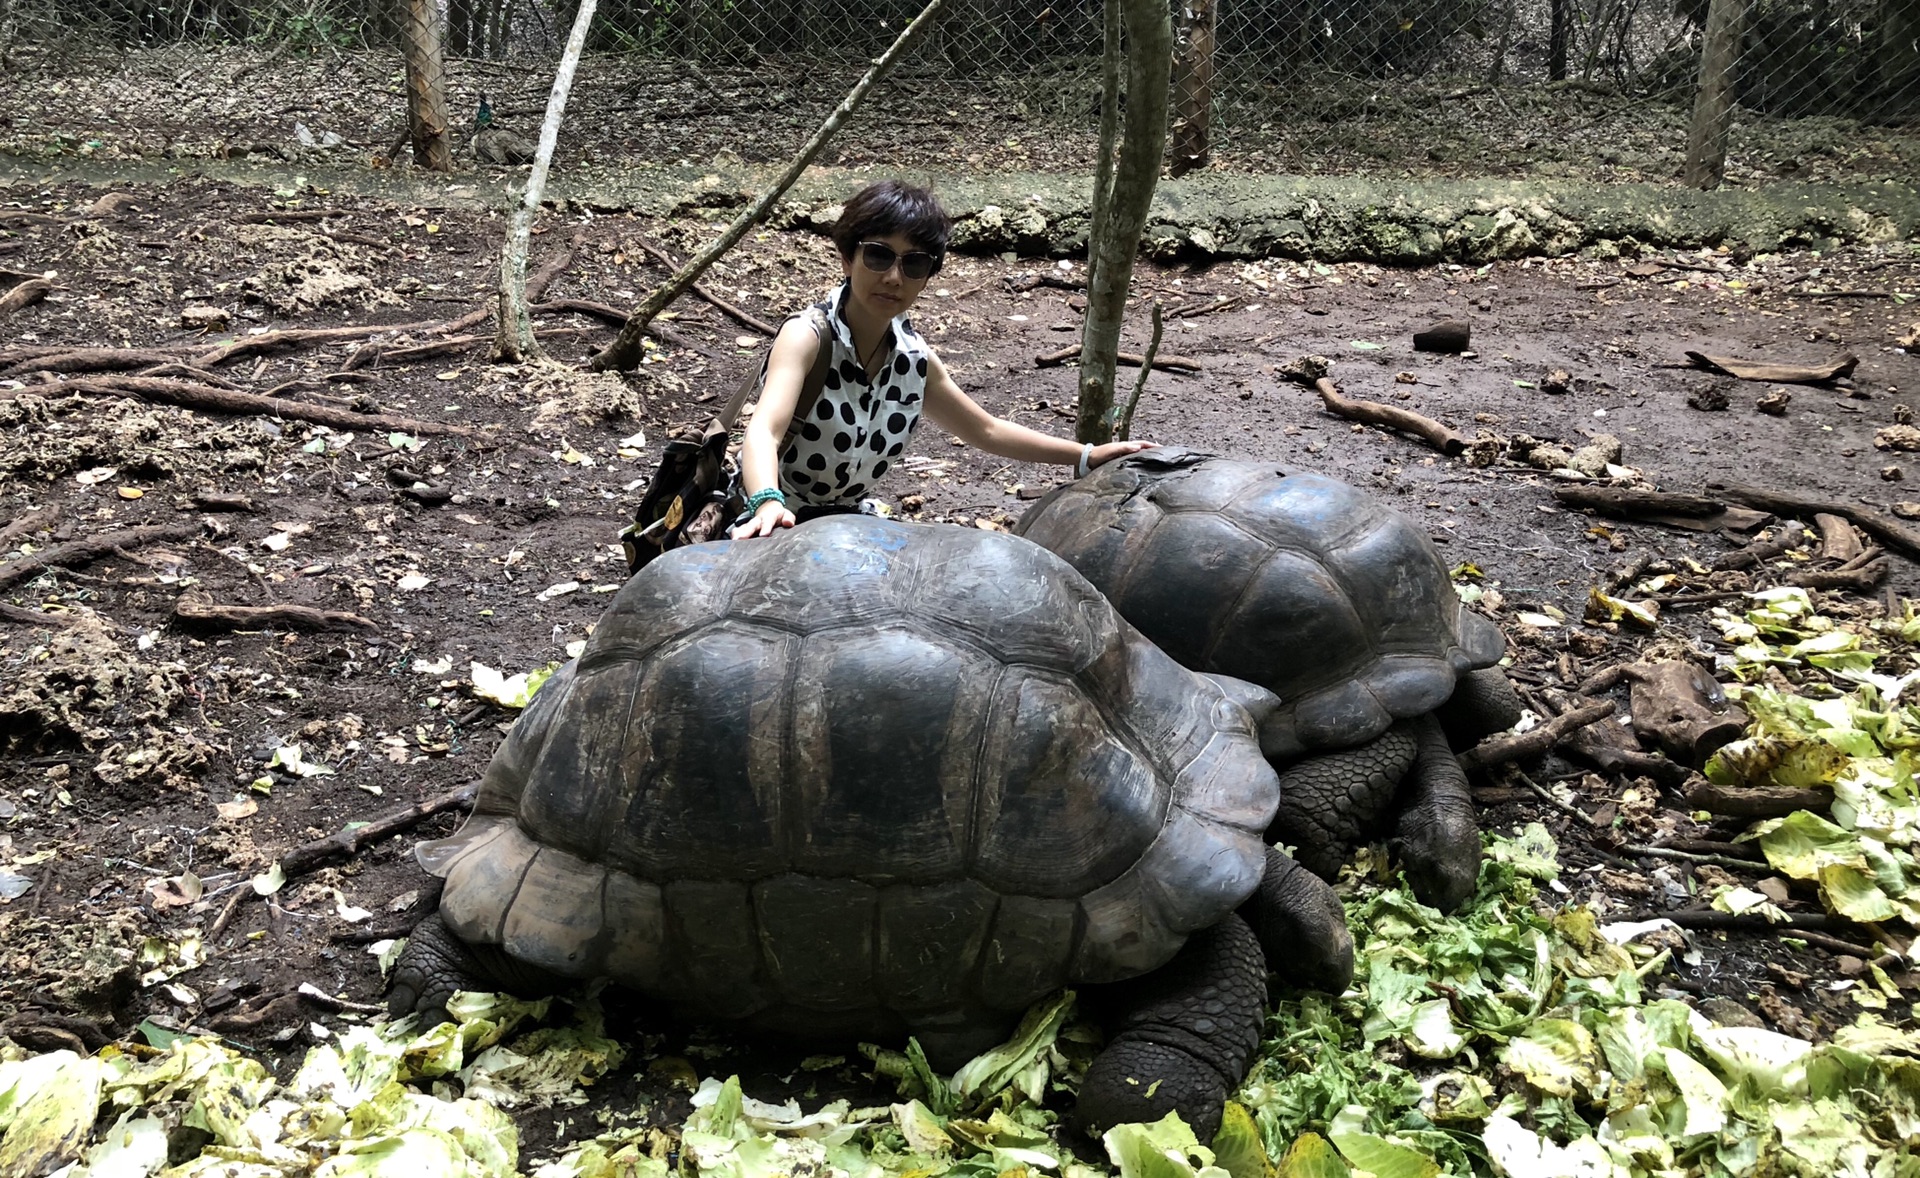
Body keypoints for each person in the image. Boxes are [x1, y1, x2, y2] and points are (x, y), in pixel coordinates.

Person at [730, 180, 1153, 540]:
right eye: (878, 255)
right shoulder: (806, 337)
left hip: (845, 524)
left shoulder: (914, 360)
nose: (894, 277)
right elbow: (765, 430)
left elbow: (985, 430)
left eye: (914, 263)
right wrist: (767, 503)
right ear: (847, 257)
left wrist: (1087, 455)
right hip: (772, 520)